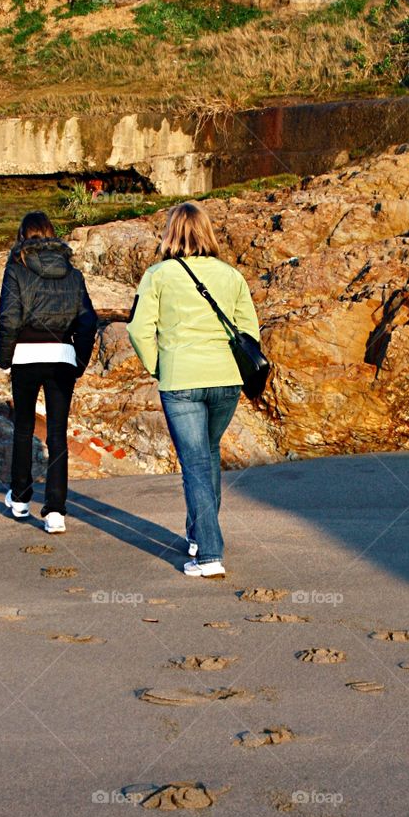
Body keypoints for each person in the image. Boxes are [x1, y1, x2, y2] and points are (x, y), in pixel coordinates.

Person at [127, 202, 261, 578]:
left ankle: (209, 554)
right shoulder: (230, 275)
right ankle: (198, 533)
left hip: (181, 380)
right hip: (226, 380)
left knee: (196, 464)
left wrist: (158, 366)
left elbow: (138, 330)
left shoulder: (157, 275)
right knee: (207, 455)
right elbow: (250, 332)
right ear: (207, 232)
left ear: (171, 232)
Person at [0, 212, 98, 534]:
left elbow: (9, 318)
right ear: (53, 236)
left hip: (26, 356)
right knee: (57, 434)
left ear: (22, 236)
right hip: (61, 358)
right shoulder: (73, 274)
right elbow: (87, 321)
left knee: (24, 428)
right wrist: (78, 359)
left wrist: (4, 357)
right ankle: (55, 511)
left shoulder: (16, 269)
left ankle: (21, 498)